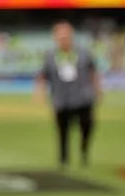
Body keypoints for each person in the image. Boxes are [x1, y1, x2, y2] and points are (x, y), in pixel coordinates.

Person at [36, 21, 101, 169]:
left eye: (66, 36)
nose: (63, 39)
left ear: (71, 36)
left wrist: (97, 89)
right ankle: (63, 159)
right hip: (61, 98)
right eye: (60, 36)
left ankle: (84, 152)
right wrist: (40, 92)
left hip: (83, 96)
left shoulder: (83, 53)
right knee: (62, 130)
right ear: (55, 37)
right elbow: (43, 75)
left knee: (87, 126)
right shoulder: (50, 56)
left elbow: (93, 71)